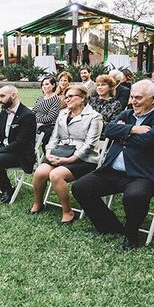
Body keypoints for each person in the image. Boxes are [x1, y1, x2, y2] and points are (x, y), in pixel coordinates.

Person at [72, 80, 154, 250]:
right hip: (112, 171)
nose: (133, 101)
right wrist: (133, 129)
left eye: (138, 98)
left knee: (134, 196)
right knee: (80, 187)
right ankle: (109, 226)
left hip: (143, 174)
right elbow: (106, 129)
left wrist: (121, 132)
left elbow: (149, 140)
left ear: (153, 99)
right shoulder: (127, 114)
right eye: (131, 97)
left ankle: (131, 234)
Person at [30, 87, 103, 223]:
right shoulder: (62, 114)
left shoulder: (94, 117)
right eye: (66, 96)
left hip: (84, 159)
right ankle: (38, 203)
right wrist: (49, 152)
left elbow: (90, 144)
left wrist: (70, 159)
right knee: (40, 172)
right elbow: (54, 137)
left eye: (71, 96)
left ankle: (68, 211)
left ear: (82, 98)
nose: (67, 99)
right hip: (60, 153)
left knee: (55, 175)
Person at [32, 76, 61, 147]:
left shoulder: (56, 99)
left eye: (47, 84)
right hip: (34, 123)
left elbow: (50, 117)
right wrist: (33, 121)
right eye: (43, 85)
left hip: (48, 125)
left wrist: (36, 120)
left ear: (53, 85)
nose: (44, 87)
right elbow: (33, 111)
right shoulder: (40, 98)